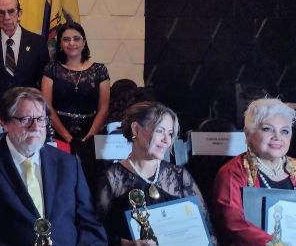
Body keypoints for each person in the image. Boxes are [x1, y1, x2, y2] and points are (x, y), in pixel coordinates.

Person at [0, 86, 106, 246]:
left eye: (41, 119)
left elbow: (90, 226)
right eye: (26, 119)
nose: (35, 128)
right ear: (5, 123)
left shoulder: (68, 164)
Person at [95, 101, 215, 246]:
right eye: (160, 131)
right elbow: (97, 233)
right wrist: (126, 244)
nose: (167, 140)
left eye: (170, 134)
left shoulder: (180, 176)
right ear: (135, 129)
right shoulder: (111, 178)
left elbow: (207, 231)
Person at [213, 98, 296, 245]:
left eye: (284, 131)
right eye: (267, 129)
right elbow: (234, 223)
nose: (278, 137)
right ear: (248, 134)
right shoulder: (232, 172)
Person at [41, 22, 109, 187]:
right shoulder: (51, 68)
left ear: (84, 42)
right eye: (66, 39)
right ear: (60, 44)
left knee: (89, 181)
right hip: (57, 132)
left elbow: (104, 107)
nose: (72, 43)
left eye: (76, 39)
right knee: (60, 181)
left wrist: (90, 136)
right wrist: (66, 136)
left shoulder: (100, 70)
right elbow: (46, 106)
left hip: (91, 132)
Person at [0, 0, 49, 120]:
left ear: (19, 14)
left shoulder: (38, 43)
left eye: (11, 11)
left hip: (28, 117)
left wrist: (35, 113)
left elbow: (43, 83)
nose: (7, 17)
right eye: (1, 13)